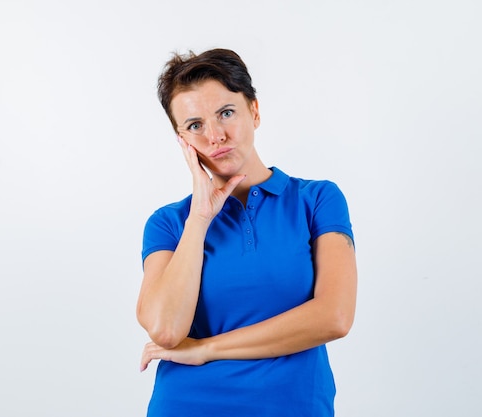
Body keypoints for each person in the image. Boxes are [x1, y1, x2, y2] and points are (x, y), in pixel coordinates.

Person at [136, 48, 357, 416]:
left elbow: (334, 317)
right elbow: (166, 330)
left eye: (226, 113)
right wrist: (200, 217)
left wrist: (206, 348)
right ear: (182, 140)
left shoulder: (315, 200)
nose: (216, 136)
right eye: (195, 125)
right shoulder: (170, 223)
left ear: (254, 111)